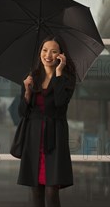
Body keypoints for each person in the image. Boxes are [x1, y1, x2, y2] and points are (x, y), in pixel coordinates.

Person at [17, 36, 76, 207]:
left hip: (55, 138)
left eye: (53, 51)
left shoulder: (67, 79)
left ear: (60, 55)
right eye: (44, 50)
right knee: (36, 193)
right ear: (40, 53)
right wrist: (27, 92)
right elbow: (22, 112)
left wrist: (58, 73)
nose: (48, 55)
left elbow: (60, 103)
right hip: (34, 139)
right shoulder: (31, 78)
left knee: (51, 192)